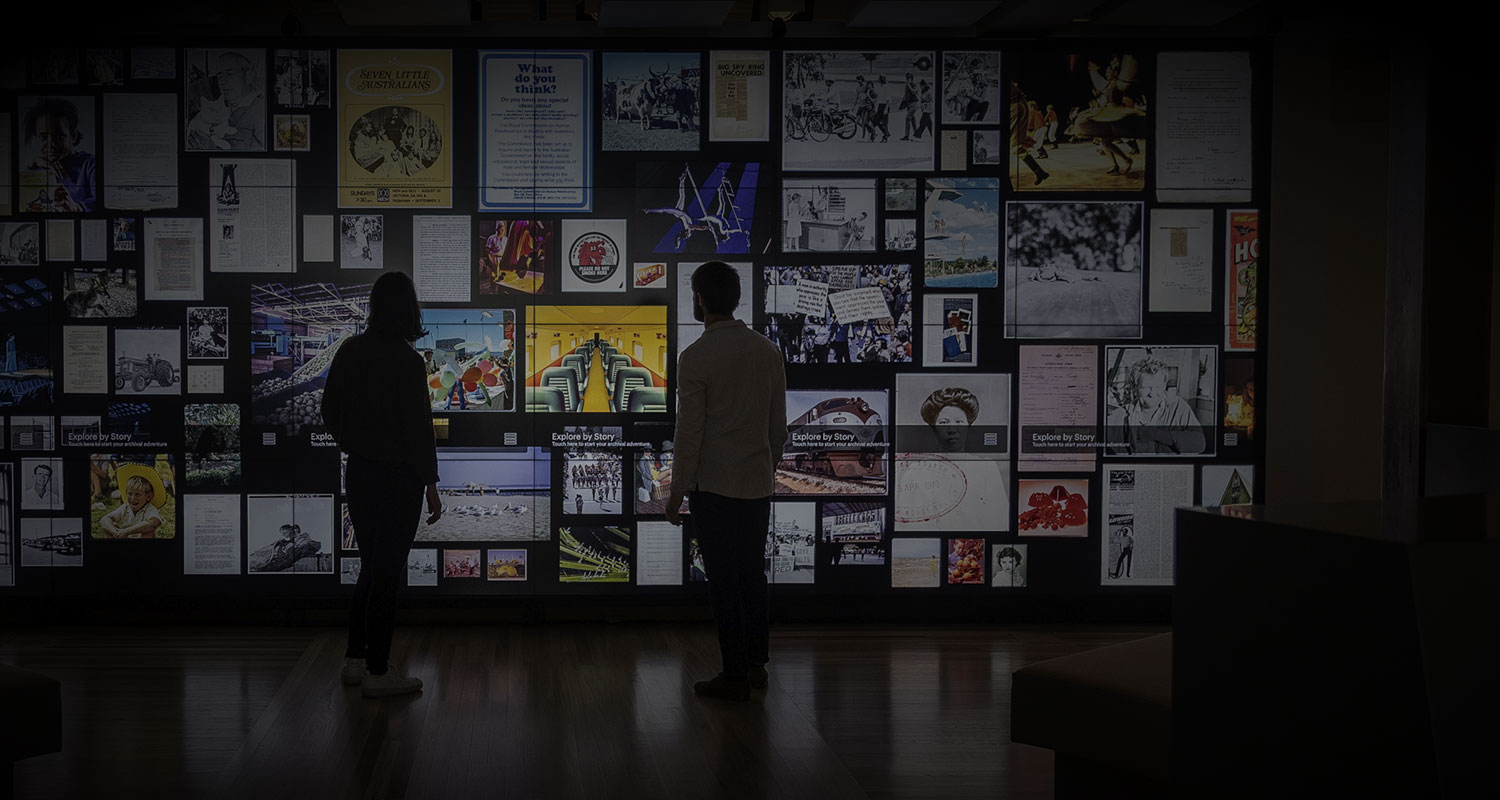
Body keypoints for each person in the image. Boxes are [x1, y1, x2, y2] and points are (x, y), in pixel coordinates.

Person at [668, 261, 788, 702]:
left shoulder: (696, 357)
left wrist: (677, 490)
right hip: (755, 484)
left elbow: (690, 433)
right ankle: (757, 665)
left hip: (713, 487)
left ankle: (733, 672)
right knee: (752, 575)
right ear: (735, 298)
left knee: (723, 581)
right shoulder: (767, 351)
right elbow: (778, 427)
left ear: (699, 300)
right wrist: (765, 466)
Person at [321, 270, 443, 698]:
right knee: (387, 574)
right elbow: (419, 430)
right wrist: (430, 484)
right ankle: (378, 671)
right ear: (409, 309)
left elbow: (328, 410)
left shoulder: (351, 350)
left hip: (360, 472)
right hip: (399, 479)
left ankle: (355, 660)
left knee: (371, 568)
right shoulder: (409, 362)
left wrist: (354, 442)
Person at [1108, 357, 1207, 455]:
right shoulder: (1123, 413)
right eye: (1146, 387)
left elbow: (1199, 444)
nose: (1152, 393)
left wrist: (1157, 434)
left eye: (1158, 387)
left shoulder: (1177, 406)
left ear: (1164, 385)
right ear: (1135, 387)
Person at [24, 97, 97, 212]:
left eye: (58, 136)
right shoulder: (38, 165)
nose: (50, 144)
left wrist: (74, 207)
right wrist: (36, 161)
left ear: (73, 136)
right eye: (43, 137)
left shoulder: (90, 164)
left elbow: (100, 202)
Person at [97, 464, 166, 538]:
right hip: (122, 537)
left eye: (137, 494)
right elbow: (104, 519)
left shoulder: (150, 509)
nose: (132, 498)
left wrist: (126, 531)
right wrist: (116, 532)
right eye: (130, 493)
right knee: (110, 527)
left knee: (149, 532)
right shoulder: (125, 508)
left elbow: (154, 523)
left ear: (148, 496)